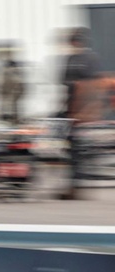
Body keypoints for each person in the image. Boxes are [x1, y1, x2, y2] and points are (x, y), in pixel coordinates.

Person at [58, 28, 104, 200]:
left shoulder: (90, 59)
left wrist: (88, 111)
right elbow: (64, 84)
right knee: (71, 149)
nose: (74, 44)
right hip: (71, 109)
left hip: (84, 111)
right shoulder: (69, 59)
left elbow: (94, 86)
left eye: (76, 40)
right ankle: (73, 185)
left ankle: (78, 184)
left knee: (81, 149)